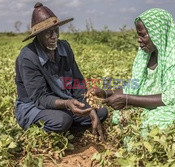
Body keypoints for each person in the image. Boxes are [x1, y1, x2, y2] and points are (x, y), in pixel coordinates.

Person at [93, 8, 175, 135]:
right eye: (138, 35)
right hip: (159, 103)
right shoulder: (146, 53)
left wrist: (127, 100)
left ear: (157, 33)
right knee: (121, 116)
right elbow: (136, 86)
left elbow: (170, 98)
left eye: (143, 35)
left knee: (154, 124)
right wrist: (106, 93)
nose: (139, 39)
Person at [15, 2, 107, 140]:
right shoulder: (28, 57)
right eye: (48, 32)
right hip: (35, 106)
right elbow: (40, 97)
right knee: (61, 120)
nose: (54, 36)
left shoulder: (64, 47)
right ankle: (63, 125)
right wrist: (67, 104)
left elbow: (77, 83)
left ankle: (69, 125)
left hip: (64, 102)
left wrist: (87, 105)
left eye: (56, 30)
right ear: (38, 35)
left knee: (100, 112)